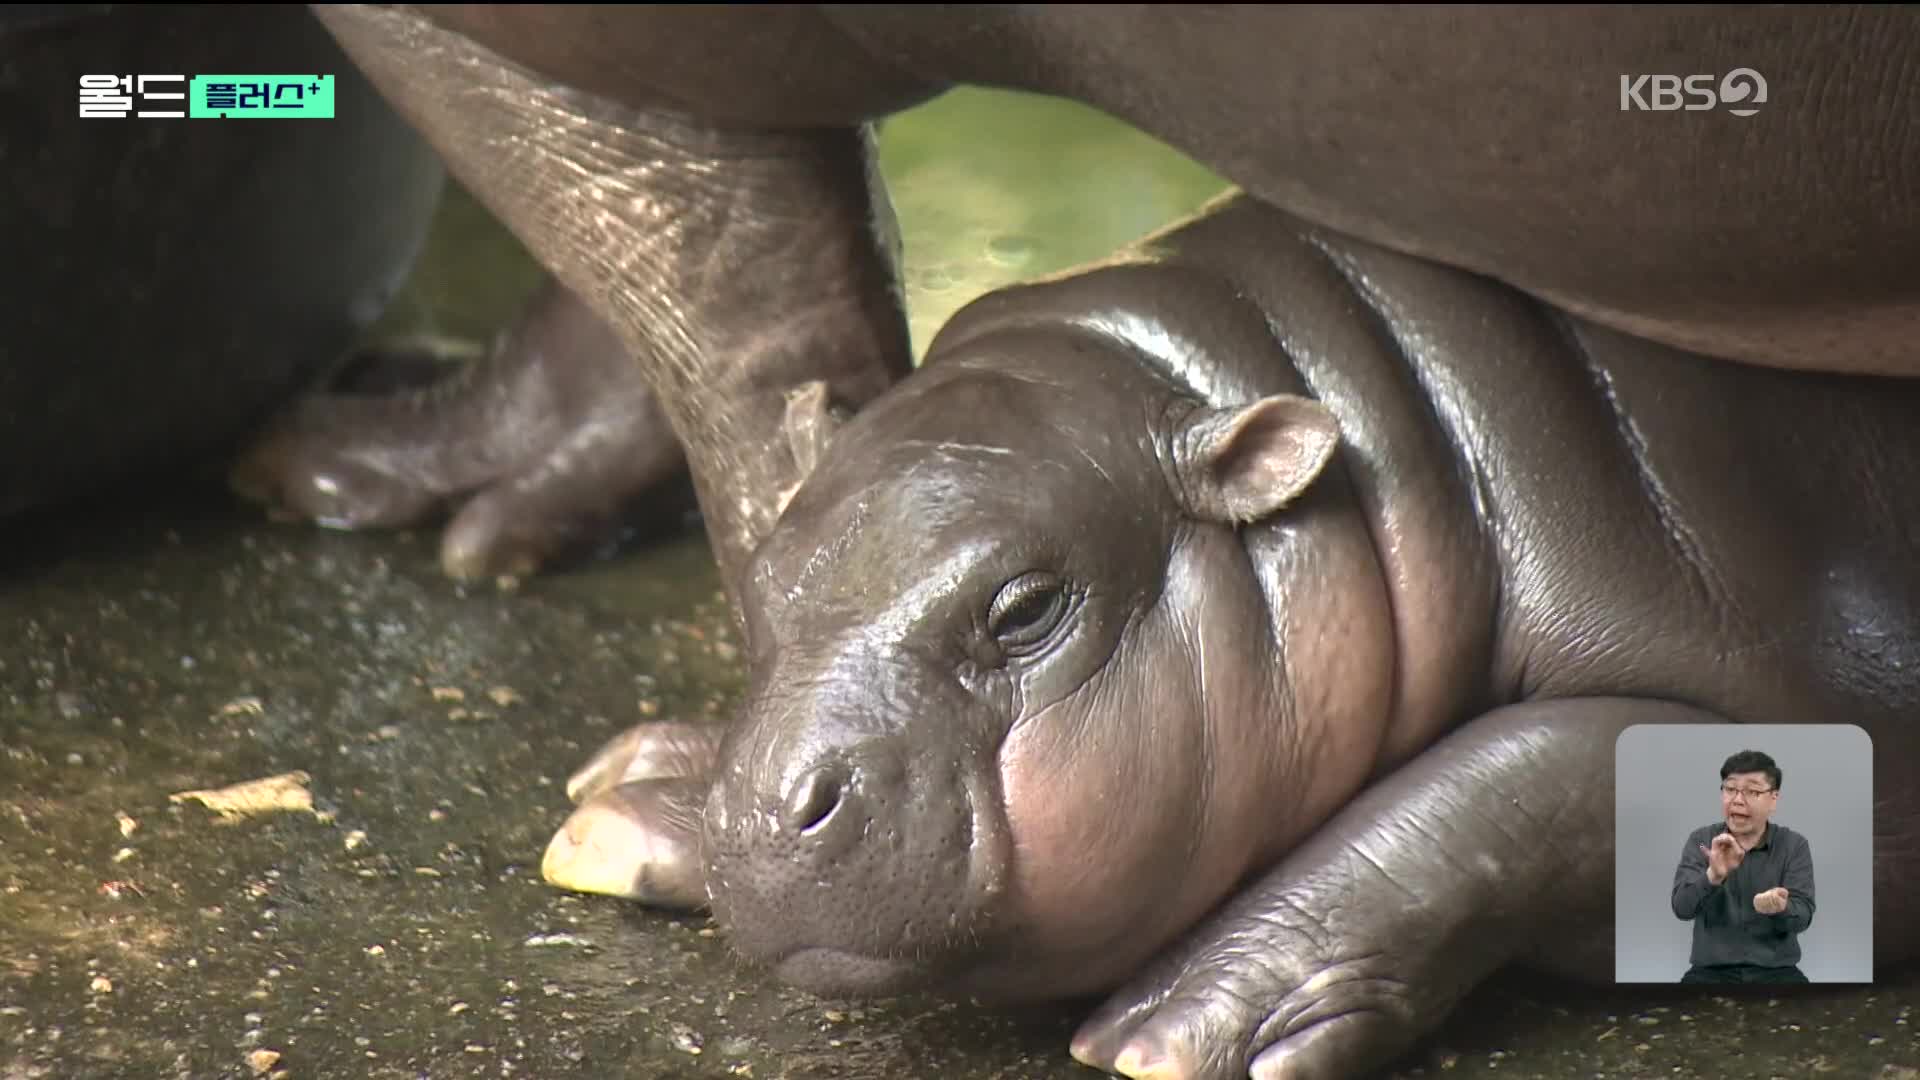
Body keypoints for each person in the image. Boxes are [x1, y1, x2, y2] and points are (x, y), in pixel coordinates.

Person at [1670, 750, 1818, 983]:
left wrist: (1781, 907)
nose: (1737, 800)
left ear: (1773, 799)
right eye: (1730, 789)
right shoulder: (1701, 841)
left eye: (1752, 791)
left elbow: (1804, 916)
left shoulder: (1794, 845)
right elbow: (1681, 908)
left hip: (1777, 973)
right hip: (1710, 974)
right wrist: (1713, 876)